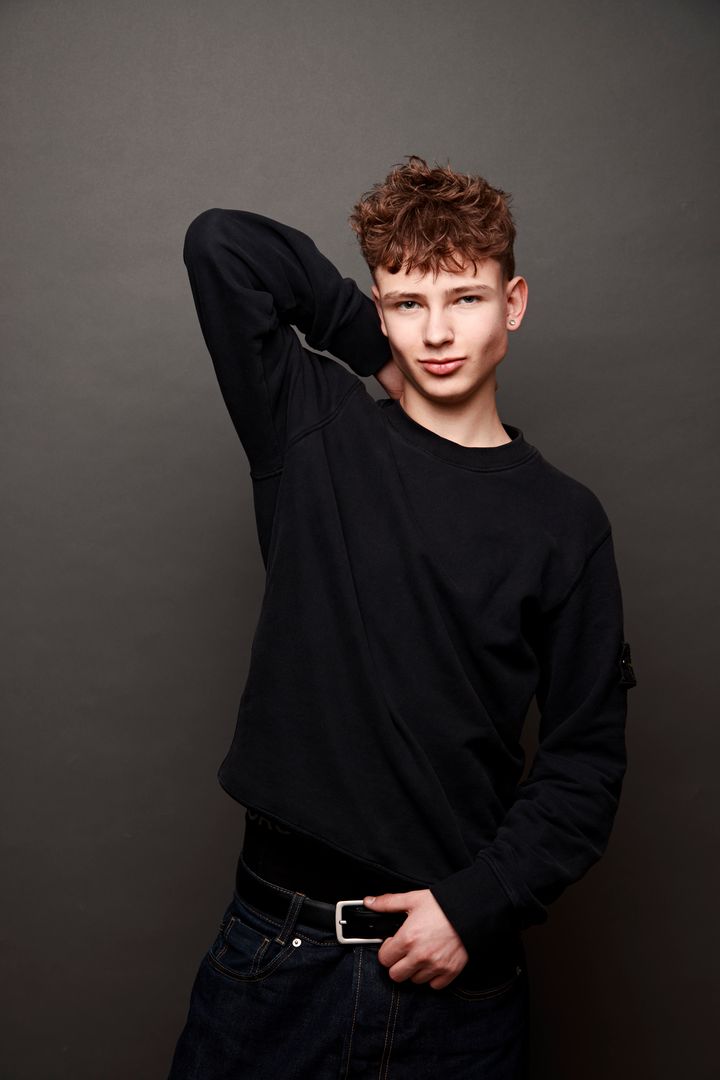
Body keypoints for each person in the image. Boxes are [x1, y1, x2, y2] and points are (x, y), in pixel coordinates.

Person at [167, 156, 637, 1079]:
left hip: (457, 978)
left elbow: (586, 763)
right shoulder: (313, 431)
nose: (439, 332)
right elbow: (220, 244)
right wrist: (365, 345)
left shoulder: (566, 523)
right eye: (409, 303)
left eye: (465, 298)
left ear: (514, 303)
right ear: (380, 309)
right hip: (275, 958)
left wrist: (477, 904)